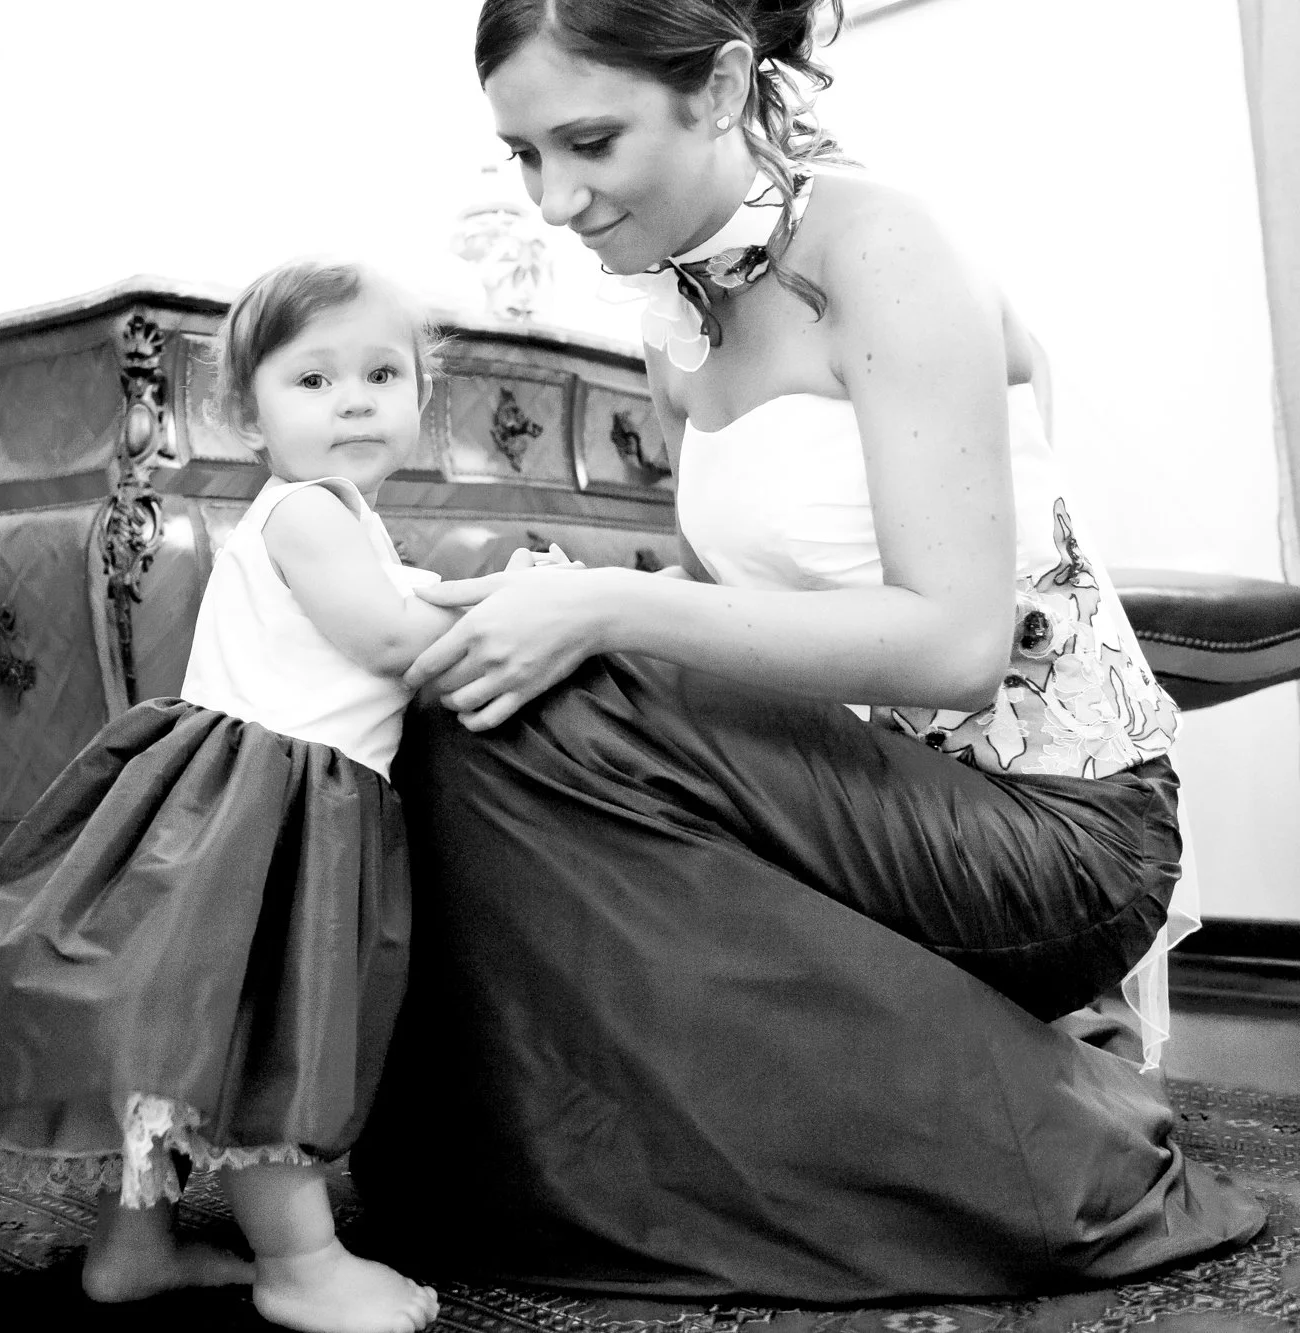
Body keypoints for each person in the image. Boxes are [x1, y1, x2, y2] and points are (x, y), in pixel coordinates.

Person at [348, 0, 1268, 1305]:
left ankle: (1053, 1135)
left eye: (589, 141)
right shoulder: (694, 312)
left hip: (1065, 839)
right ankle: (538, 1156)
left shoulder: (882, 245)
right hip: (898, 800)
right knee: (476, 683)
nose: (554, 198)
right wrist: (577, 594)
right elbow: (769, 599)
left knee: (570, 672)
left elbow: (955, 648)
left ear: (722, 86)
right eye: (525, 155)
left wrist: (611, 605)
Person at [0, 259, 545, 1333]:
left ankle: (132, 1248)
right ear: (247, 411)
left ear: (421, 396)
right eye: (311, 380)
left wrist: (476, 588)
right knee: (272, 1037)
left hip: (256, 798)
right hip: (270, 815)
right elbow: (387, 636)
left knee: (185, 1046)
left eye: (380, 373)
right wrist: (516, 617)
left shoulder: (344, 521)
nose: (353, 398)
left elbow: (395, 597)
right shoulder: (310, 514)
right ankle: (301, 1261)